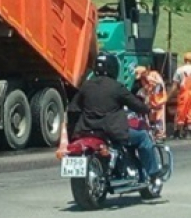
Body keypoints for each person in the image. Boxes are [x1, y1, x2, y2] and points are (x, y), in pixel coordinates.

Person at [67, 52, 161, 184]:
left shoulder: (86, 86)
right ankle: (153, 173)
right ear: (113, 68)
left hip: (86, 129)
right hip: (112, 131)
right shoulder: (116, 87)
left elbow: (72, 109)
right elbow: (135, 104)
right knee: (143, 137)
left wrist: (73, 133)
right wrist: (147, 109)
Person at [134, 65, 168, 142]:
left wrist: (152, 88)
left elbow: (159, 87)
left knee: (159, 118)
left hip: (159, 100)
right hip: (151, 100)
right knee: (151, 117)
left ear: (144, 72)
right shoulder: (143, 79)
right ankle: (153, 133)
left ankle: (160, 135)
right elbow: (146, 89)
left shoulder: (154, 76)